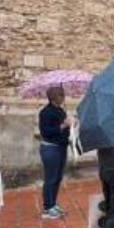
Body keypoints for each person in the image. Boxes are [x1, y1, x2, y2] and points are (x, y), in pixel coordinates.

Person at [39, 86, 71, 219]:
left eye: (63, 94)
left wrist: (71, 123)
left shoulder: (60, 110)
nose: (63, 97)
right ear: (53, 97)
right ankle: (47, 208)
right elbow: (45, 132)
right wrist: (63, 125)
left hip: (61, 147)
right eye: (61, 95)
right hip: (51, 148)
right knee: (50, 178)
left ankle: (53, 203)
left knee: (58, 177)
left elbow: (65, 127)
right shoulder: (45, 112)